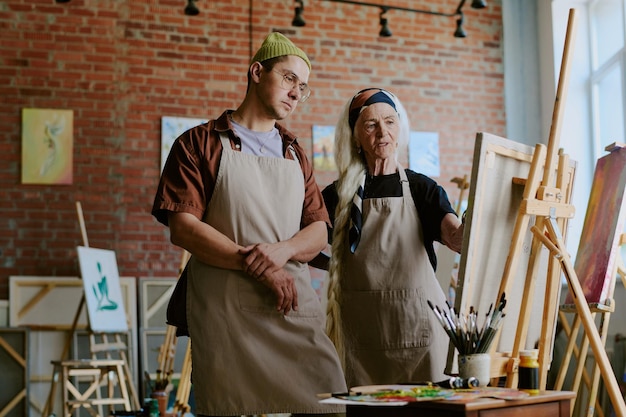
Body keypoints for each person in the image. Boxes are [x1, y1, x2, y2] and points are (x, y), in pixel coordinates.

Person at [151, 32, 346, 416]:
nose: (296, 93)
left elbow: (319, 230)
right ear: (257, 72)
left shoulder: (295, 153)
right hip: (226, 316)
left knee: (331, 403)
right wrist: (257, 265)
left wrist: (281, 252)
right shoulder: (198, 144)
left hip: (288, 306)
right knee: (229, 406)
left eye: (303, 87)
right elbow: (184, 228)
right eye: (289, 78)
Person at [321, 87, 464, 388]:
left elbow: (454, 236)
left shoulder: (423, 189)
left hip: (420, 337)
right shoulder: (337, 196)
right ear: (355, 135)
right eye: (371, 124)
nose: (382, 132)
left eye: (389, 121)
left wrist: (474, 224)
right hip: (360, 340)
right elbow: (306, 244)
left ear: (400, 128)